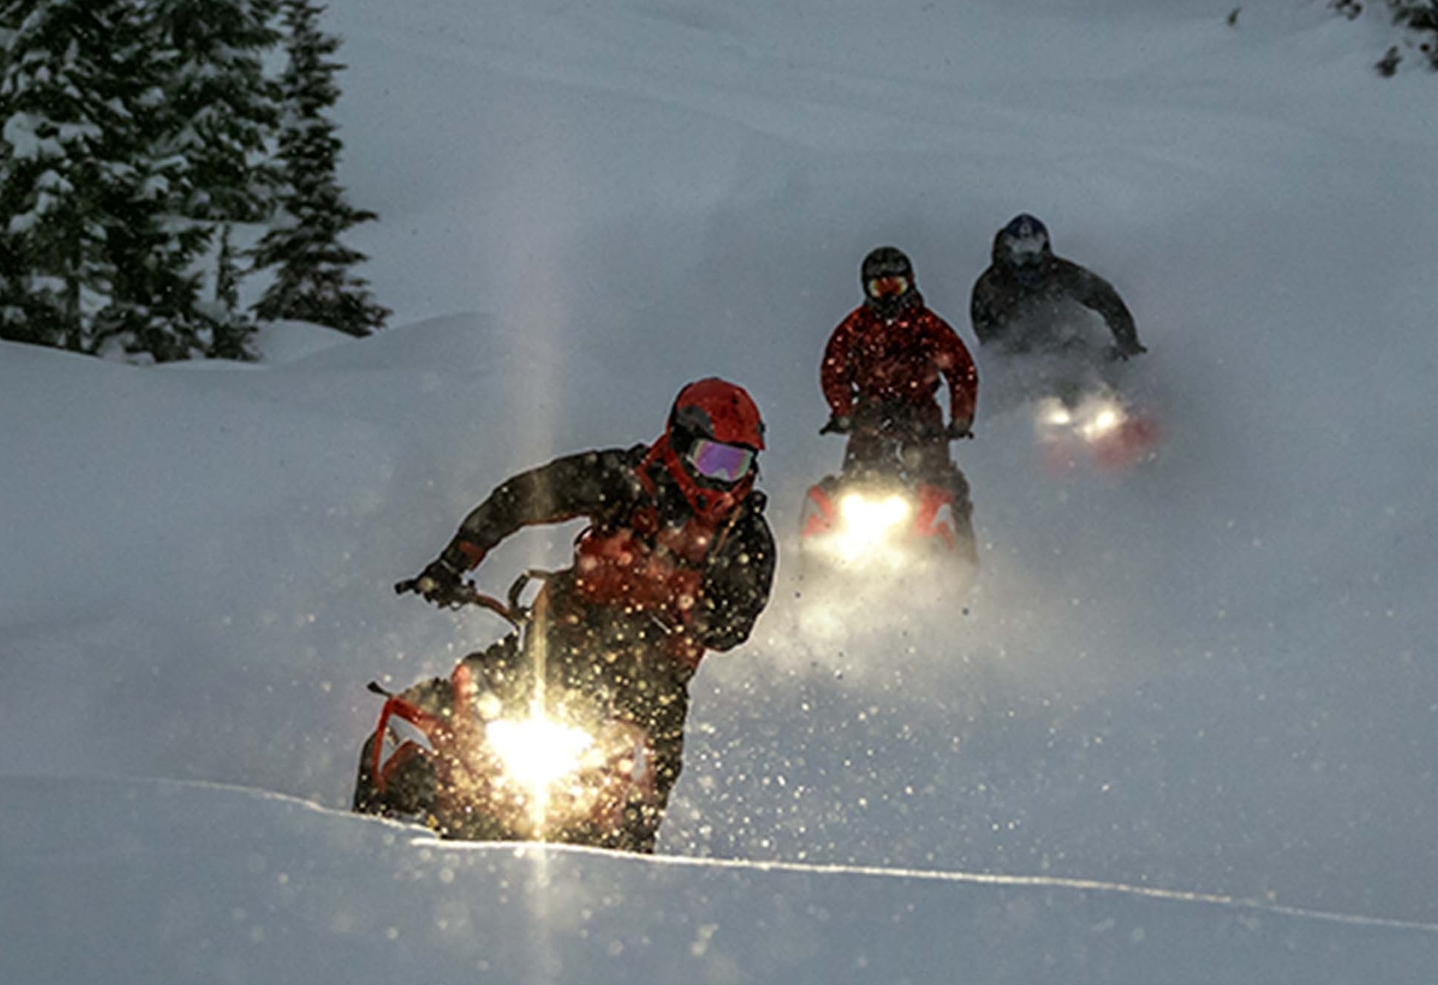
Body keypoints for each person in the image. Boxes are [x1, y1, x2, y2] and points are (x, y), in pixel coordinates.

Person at [393, 379, 778, 848]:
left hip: (652, 677)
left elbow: (735, 624)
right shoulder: (621, 477)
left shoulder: (746, 538)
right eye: (711, 460)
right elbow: (520, 498)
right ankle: (426, 791)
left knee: (653, 773)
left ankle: (631, 860)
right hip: (564, 635)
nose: (721, 480)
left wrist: (677, 622)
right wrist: (454, 562)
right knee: (477, 686)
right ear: (679, 442)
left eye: (735, 464)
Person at [817, 244, 980, 546]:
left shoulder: (927, 326)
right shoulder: (855, 327)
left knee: (939, 481)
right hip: (869, 414)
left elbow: (961, 369)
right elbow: (833, 368)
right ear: (867, 289)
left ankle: (956, 549)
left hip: (921, 414)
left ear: (910, 283)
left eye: (896, 286)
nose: (889, 296)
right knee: (856, 476)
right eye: (880, 288)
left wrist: (961, 418)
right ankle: (830, 549)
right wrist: (842, 411)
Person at [966, 213, 1141, 367]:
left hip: (1071, 348)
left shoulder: (1064, 274)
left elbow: (1108, 301)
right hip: (1023, 362)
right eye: (1020, 255)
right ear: (1008, 252)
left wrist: (1128, 344)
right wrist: (1008, 356)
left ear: (1045, 249)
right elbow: (986, 333)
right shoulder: (991, 285)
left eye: (1033, 254)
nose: (1027, 262)